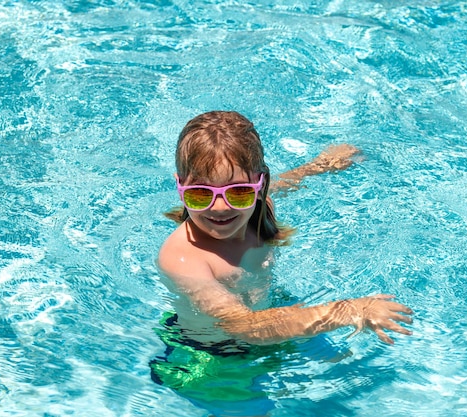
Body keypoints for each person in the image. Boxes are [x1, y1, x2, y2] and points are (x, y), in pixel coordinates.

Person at [151, 110, 413, 415]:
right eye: (200, 194)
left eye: (237, 191)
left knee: (349, 386)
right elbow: (244, 327)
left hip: (276, 316)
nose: (220, 206)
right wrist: (351, 311)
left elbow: (285, 183)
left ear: (259, 185)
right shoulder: (184, 258)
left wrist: (320, 166)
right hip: (216, 356)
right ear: (180, 186)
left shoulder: (258, 209)